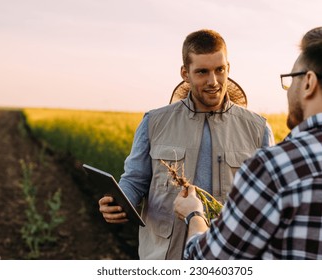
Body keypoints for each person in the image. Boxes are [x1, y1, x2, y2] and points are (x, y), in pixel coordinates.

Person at [174, 24, 322, 260]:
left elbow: (205, 263)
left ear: (308, 82)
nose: (288, 91)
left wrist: (194, 215)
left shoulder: (273, 167)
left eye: (292, 79)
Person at [99, 29, 275, 260]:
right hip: (164, 257)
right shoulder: (154, 122)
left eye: (219, 70)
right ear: (185, 73)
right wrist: (120, 202)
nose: (213, 81)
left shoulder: (258, 128)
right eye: (202, 72)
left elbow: (269, 200)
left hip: (229, 258)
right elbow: (135, 180)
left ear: (228, 68)